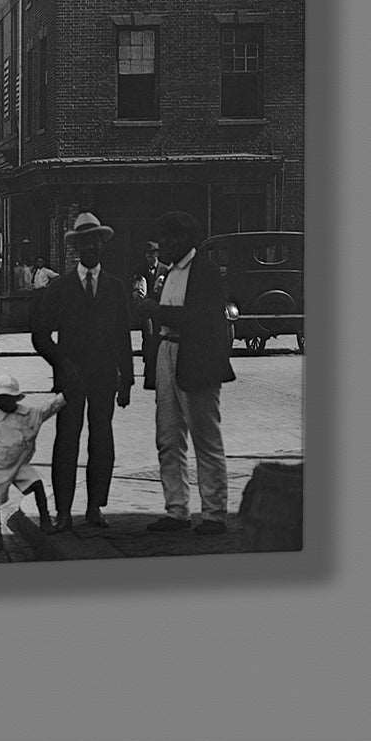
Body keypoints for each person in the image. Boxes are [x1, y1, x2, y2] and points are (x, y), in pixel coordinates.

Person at [30, 212, 133, 532]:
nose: (91, 248)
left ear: (102, 245)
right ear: (76, 247)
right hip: (70, 378)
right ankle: (63, 511)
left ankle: (94, 506)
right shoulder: (60, 288)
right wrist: (62, 364)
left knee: (101, 440)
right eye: (84, 242)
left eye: (96, 241)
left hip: (104, 376)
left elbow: (123, 337)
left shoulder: (116, 288)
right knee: (67, 441)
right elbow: (40, 335)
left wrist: (126, 379)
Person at [144, 211, 236, 535]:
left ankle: (214, 514)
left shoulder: (205, 272)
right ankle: (176, 511)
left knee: (205, 439)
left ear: (183, 239)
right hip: (168, 353)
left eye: (166, 239)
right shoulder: (167, 274)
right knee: (168, 438)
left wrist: (157, 311)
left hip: (196, 358)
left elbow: (204, 319)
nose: (161, 246)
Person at [0, 372, 63, 553]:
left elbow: (50, 408)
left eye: (6, 398)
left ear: (15, 398)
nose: (3, 403)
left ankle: (45, 521)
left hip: (20, 464)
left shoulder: (30, 414)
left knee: (37, 485)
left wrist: (67, 394)